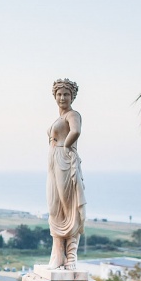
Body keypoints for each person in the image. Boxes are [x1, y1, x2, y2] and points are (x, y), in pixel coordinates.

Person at [47, 78, 86, 269]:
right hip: (54, 162)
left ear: (72, 96)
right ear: (55, 96)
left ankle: (71, 256)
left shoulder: (73, 114)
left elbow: (76, 131)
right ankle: (58, 253)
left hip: (65, 160)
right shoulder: (58, 118)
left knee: (69, 206)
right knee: (54, 207)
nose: (62, 98)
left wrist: (66, 147)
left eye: (66, 94)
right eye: (59, 94)